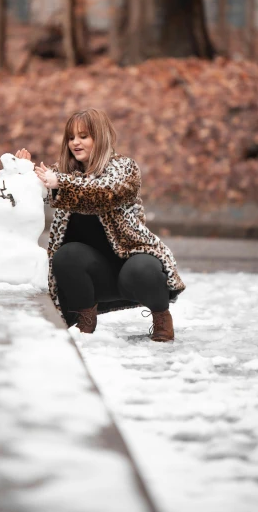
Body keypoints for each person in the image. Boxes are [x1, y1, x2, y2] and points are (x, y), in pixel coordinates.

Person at [15, 108, 185, 341]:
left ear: (100, 137)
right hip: (96, 275)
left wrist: (60, 183)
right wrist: (21, 172)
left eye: (83, 136)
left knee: (142, 269)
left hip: (132, 267)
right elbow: (33, 192)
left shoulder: (124, 168)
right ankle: (84, 323)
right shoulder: (62, 174)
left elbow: (104, 193)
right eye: (71, 137)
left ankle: (161, 317)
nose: (75, 142)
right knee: (66, 255)